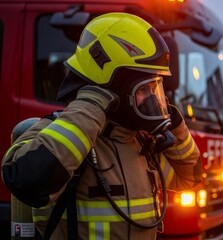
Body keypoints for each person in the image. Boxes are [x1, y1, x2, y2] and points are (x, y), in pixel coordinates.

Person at [2, 13, 201, 239]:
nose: (151, 100)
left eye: (155, 90)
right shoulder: (62, 137)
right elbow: (26, 181)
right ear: (114, 87)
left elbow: (189, 177)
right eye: (144, 90)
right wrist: (91, 105)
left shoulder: (139, 146)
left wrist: (175, 126)